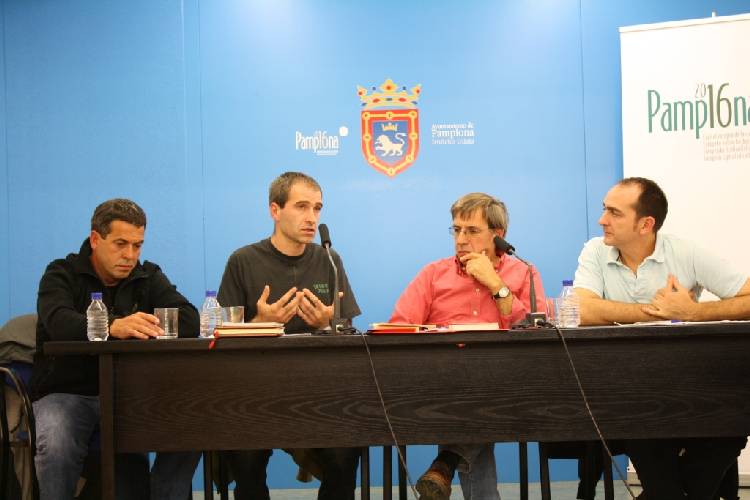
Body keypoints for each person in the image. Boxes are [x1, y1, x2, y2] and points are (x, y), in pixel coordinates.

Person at [574, 177, 750, 500]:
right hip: (628, 392)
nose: (602, 220)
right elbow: (582, 310)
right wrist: (656, 312)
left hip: (691, 387)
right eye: (604, 209)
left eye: (614, 212)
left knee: (732, 423)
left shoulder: (686, 252)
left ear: (646, 224)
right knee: (644, 422)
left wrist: (694, 312)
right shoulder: (595, 251)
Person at [31, 198, 201, 500]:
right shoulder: (61, 273)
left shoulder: (147, 276)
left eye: (137, 245)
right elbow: (58, 322)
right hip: (67, 392)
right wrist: (113, 326)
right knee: (56, 441)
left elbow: (188, 318)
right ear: (95, 239)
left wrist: (148, 325)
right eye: (121, 244)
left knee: (193, 422)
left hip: (129, 393)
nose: (130, 256)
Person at [390, 192, 545, 500]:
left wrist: (495, 284)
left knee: (480, 397)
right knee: (472, 403)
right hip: (443, 381)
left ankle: (445, 463)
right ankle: (446, 465)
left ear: (498, 235)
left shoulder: (523, 272)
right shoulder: (433, 274)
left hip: (506, 384)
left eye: (472, 231)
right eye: (456, 230)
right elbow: (399, 328)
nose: (461, 239)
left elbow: (534, 331)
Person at [217, 171, 362, 500]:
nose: (312, 218)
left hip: (320, 393)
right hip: (254, 394)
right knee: (245, 457)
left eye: (317, 208)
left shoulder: (329, 260)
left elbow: (349, 334)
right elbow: (220, 336)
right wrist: (260, 322)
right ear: (275, 210)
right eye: (301, 206)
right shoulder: (243, 260)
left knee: (346, 449)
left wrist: (327, 324)